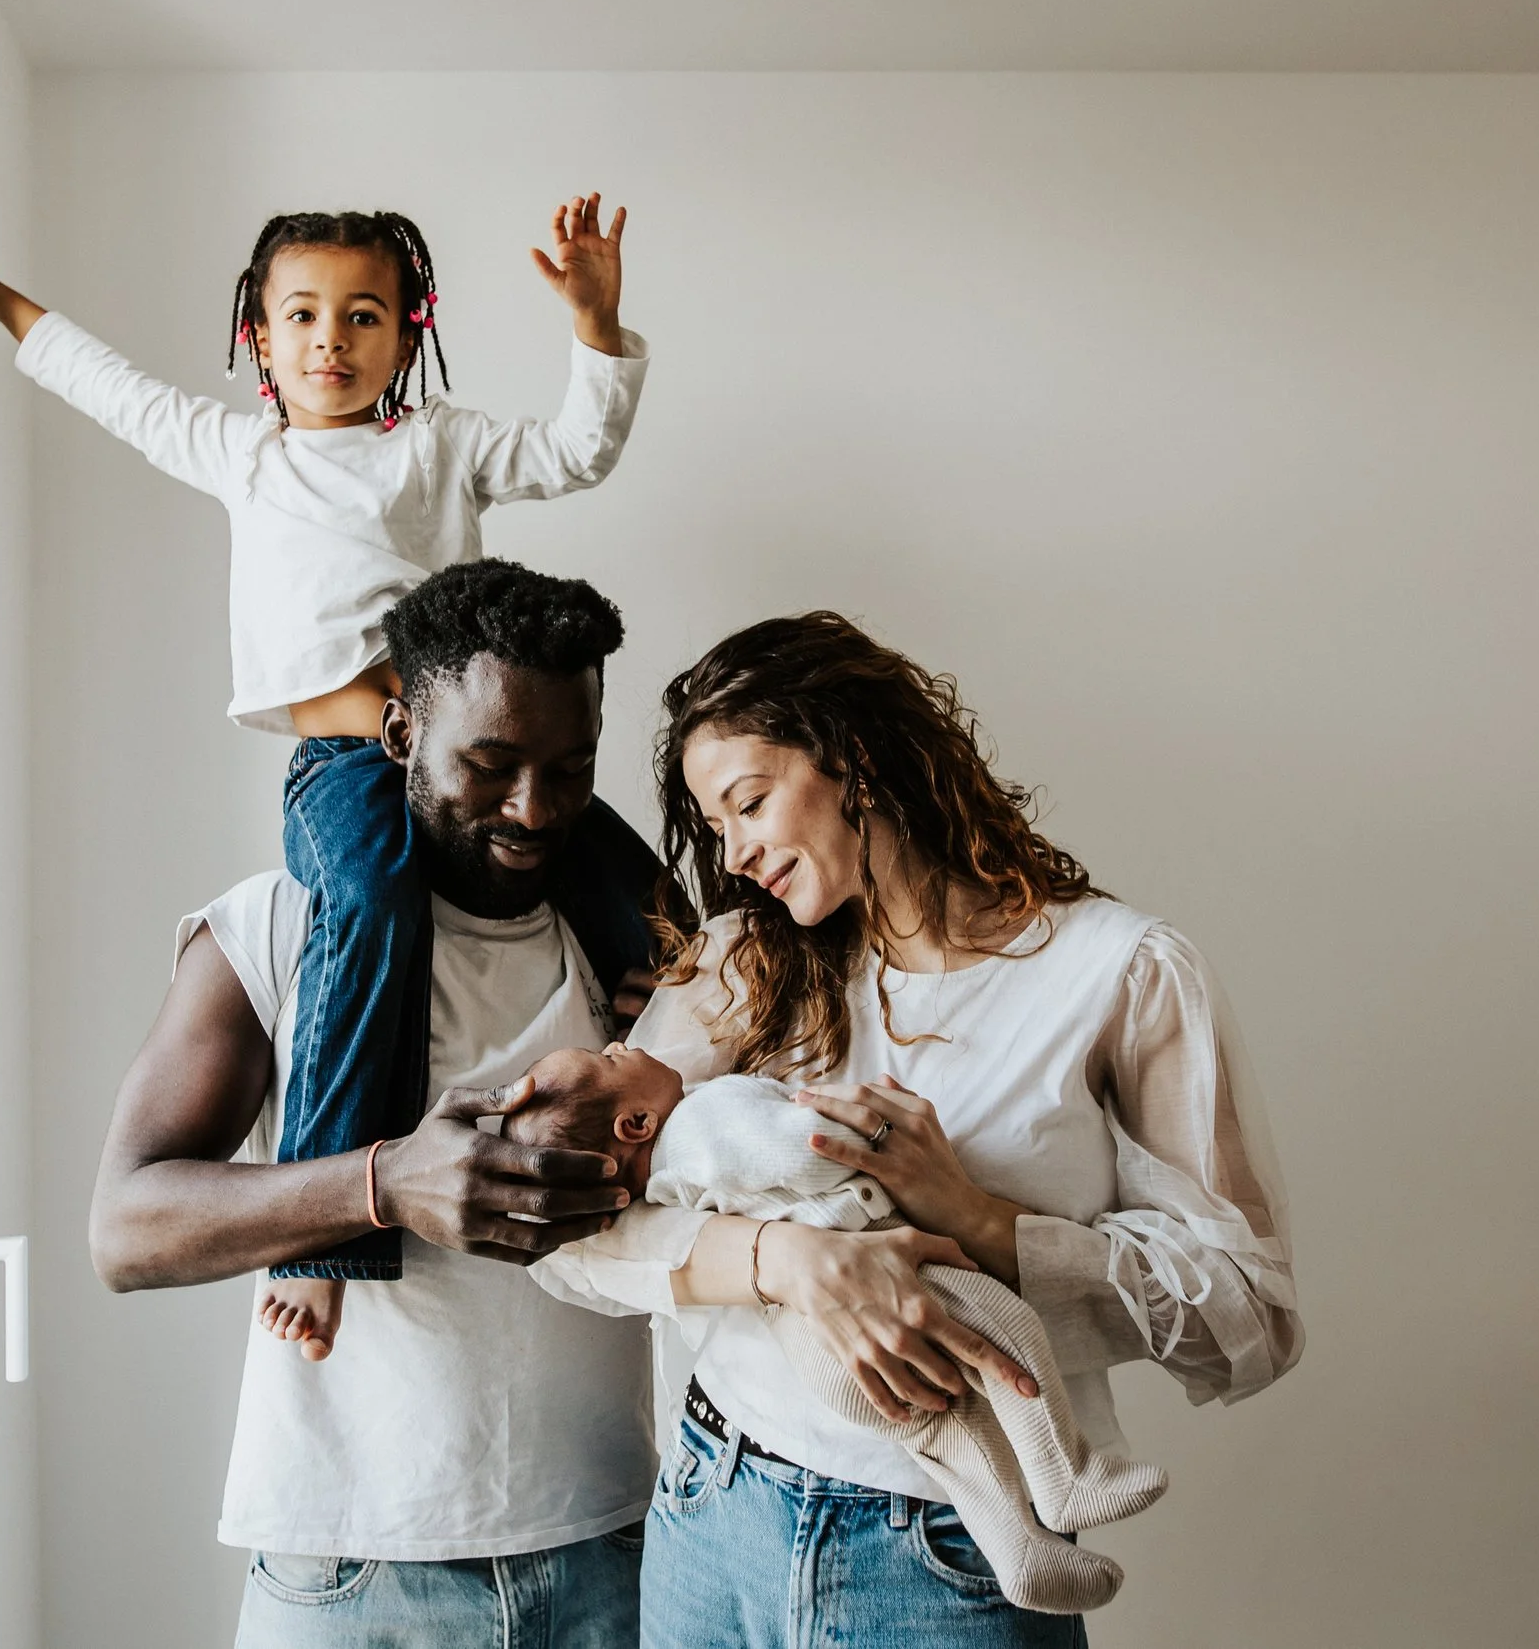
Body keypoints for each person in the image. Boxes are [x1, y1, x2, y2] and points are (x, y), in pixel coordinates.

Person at [534, 612, 1305, 1646]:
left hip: (949, 1562)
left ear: (852, 757)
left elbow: (1249, 1317)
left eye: (751, 802)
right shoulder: (739, 962)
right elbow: (567, 1234)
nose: (737, 852)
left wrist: (983, 1221)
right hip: (714, 1513)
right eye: (717, 826)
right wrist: (785, 1259)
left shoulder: (1118, 973)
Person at [0, 202, 659, 1349]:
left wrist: (595, 324)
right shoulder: (242, 452)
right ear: (257, 332)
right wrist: (1, 304)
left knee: (635, 880)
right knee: (371, 900)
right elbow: (115, 389)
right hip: (348, 764)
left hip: (473, 764)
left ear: (407, 334)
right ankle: (324, 1230)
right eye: (300, 315)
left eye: (361, 315)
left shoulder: (438, 445)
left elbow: (576, 450)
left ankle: (665, 1043)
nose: (329, 339)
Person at [89, 561, 666, 1648]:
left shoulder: (633, 957)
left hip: (614, 1549)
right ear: (400, 735)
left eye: (569, 768)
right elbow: (125, 1227)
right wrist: (382, 1180)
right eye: (489, 765)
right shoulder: (273, 928)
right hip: (353, 1578)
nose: (533, 808)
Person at [498, 1046, 1164, 1615]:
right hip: (898, 1283)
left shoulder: (661, 1184)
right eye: (610, 1057)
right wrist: (849, 1130)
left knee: (948, 1434)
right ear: (636, 1121)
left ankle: (1018, 1550)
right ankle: (1066, 1473)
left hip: (821, 1359)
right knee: (1006, 1333)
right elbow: (797, 1152)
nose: (621, 1041)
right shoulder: (704, 1116)